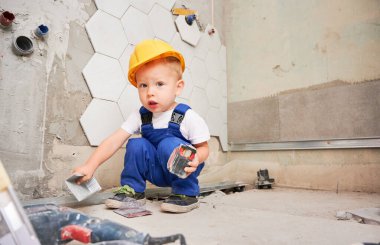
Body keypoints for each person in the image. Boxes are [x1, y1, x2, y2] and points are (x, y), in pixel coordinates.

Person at [74, 39, 210, 213]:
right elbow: (114, 140)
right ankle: (134, 191)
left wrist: (197, 158)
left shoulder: (186, 116)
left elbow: (204, 148)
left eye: (159, 84)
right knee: (136, 143)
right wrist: (90, 165)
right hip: (156, 171)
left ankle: (186, 193)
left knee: (168, 144)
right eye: (143, 85)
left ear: (178, 87)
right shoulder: (141, 115)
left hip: (183, 171)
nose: (150, 92)